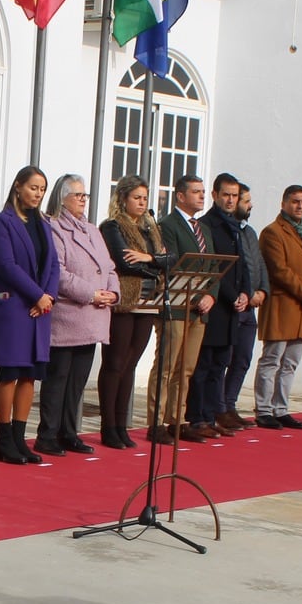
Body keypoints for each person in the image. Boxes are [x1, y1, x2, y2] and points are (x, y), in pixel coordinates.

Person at [38, 174, 119, 455]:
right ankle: (47, 433)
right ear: (63, 198)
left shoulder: (92, 230)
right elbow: (58, 272)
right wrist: (92, 294)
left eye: (85, 196)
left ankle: (69, 432)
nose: (84, 200)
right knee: (58, 377)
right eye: (78, 195)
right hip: (70, 313)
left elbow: (109, 267)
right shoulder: (54, 227)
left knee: (78, 381)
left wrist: (112, 292)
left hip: (93, 316)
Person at [0, 166, 61, 464]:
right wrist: (37, 295)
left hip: (39, 308)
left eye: (42, 189)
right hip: (16, 306)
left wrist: (49, 297)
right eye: (33, 187)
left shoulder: (43, 223)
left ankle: (19, 438)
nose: (38, 194)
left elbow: (53, 264)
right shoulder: (3, 222)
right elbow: (7, 265)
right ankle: (3, 439)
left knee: (30, 374)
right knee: (11, 372)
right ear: (18, 187)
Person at [97, 175, 173, 449]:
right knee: (115, 363)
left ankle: (121, 425)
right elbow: (124, 262)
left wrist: (150, 259)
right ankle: (109, 427)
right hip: (126, 300)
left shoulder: (150, 228)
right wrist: (155, 264)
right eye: (136, 198)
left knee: (130, 364)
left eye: (145, 198)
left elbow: (170, 259)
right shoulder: (113, 227)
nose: (142, 203)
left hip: (149, 302)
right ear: (123, 199)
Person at [183, 174, 250, 442]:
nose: (231, 200)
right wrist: (233, 294)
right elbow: (213, 267)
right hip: (215, 306)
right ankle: (197, 418)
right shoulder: (207, 225)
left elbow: (240, 264)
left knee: (219, 365)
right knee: (203, 366)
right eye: (226, 195)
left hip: (233, 307)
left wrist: (245, 291)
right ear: (215, 195)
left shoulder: (235, 225)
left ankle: (212, 416)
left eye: (235, 195)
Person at [254, 184, 302, 429]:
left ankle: (281, 408)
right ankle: (264, 409)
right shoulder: (272, 232)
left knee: (291, 362)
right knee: (272, 359)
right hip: (283, 304)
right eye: (295, 201)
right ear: (284, 203)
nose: (299, 206)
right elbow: (279, 270)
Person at [154, 175, 216, 441]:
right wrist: (195, 292)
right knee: (167, 365)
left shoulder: (203, 228)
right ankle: (156, 421)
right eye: (196, 192)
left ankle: (177, 420)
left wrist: (209, 295)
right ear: (180, 196)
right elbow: (176, 262)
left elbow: (213, 266)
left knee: (186, 368)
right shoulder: (168, 224)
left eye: (203, 192)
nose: (202, 196)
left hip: (200, 307)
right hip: (177, 305)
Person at [208, 172, 266, 430]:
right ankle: (217, 409)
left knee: (242, 358)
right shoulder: (217, 227)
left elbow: (256, 265)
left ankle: (229, 405)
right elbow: (219, 267)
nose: (247, 204)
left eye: (238, 198)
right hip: (227, 304)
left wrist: (260, 290)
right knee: (220, 361)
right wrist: (236, 295)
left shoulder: (248, 232)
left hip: (248, 303)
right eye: (244, 200)